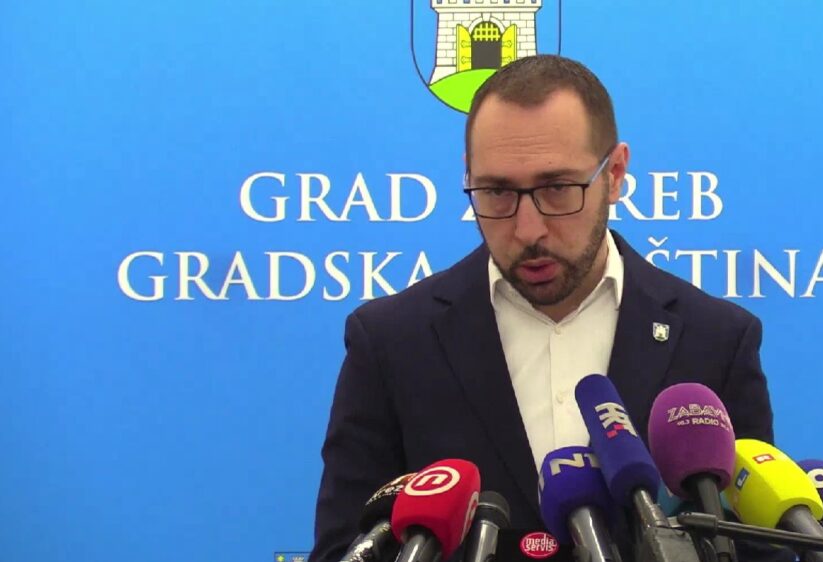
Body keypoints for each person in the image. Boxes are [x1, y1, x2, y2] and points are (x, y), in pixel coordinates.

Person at [309, 55, 784, 562]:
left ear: (615, 174)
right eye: (496, 192)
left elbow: (755, 549)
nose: (528, 229)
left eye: (557, 189)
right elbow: (344, 549)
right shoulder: (391, 341)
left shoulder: (716, 339)